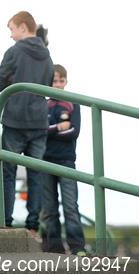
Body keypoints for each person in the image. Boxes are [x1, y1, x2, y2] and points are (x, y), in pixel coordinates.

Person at [0, 11, 54, 238]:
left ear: (22, 27)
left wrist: (13, 80)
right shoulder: (47, 54)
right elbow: (48, 83)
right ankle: (32, 227)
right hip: (39, 121)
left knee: (8, 173)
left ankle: (6, 224)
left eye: (11, 29)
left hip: (15, 120)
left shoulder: (14, 51)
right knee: (35, 174)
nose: (10, 35)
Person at [41, 64, 87, 256]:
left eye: (61, 81)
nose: (57, 85)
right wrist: (57, 127)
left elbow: (73, 132)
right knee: (49, 208)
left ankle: (77, 247)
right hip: (44, 161)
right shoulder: (42, 105)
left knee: (70, 206)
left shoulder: (72, 103)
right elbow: (40, 131)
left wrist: (52, 129)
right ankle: (54, 248)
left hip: (67, 161)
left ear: (66, 82)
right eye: (54, 81)